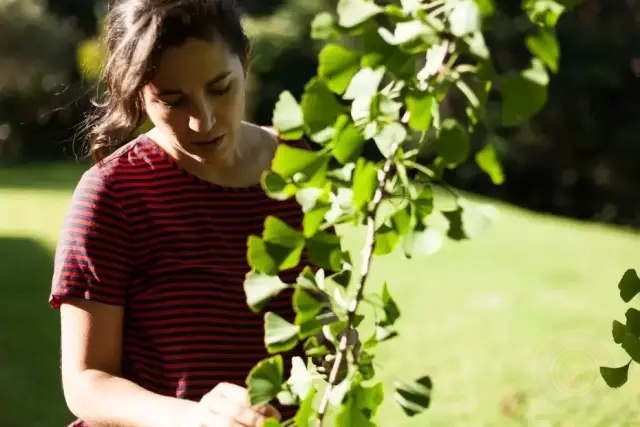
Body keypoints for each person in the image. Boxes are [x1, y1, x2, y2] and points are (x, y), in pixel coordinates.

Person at [49, 0, 310, 425]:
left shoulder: (306, 168)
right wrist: (194, 419)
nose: (202, 121)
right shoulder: (113, 193)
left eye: (220, 88)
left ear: (245, 60)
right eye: (173, 100)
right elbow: (86, 381)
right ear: (136, 93)